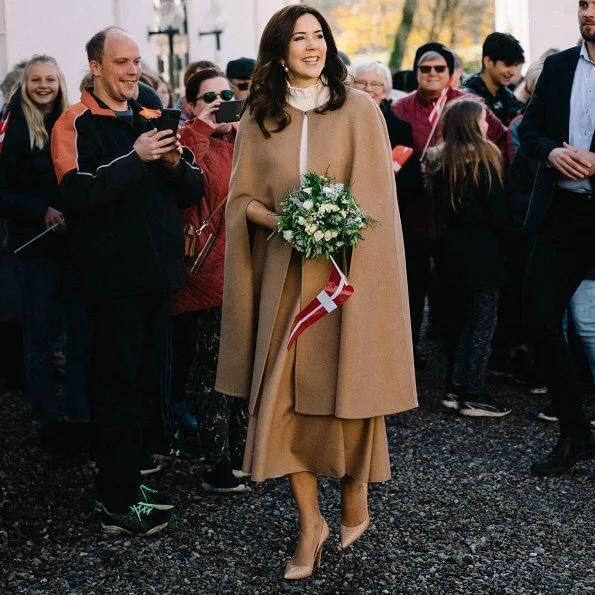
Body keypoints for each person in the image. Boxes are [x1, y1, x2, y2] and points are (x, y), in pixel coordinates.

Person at [215, 4, 417, 580]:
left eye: (319, 36)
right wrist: (285, 221)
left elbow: (378, 204)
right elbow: (241, 201)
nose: (312, 46)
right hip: (285, 280)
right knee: (279, 403)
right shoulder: (260, 115)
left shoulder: (359, 110)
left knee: (350, 393)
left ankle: (356, 488)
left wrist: (337, 229)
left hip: (342, 279)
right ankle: (310, 526)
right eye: (299, 38)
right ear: (279, 53)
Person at [51, 26, 205, 535]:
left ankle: (129, 482)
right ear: (96, 67)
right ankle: (113, 502)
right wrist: (136, 158)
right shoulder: (74, 123)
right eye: (122, 62)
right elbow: (77, 195)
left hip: (157, 277)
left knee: (143, 388)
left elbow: (190, 190)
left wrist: (170, 162)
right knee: (115, 387)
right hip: (111, 283)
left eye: (136, 60)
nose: (133, 70)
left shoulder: (148, 114)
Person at [392, 42, 512, 359]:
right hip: (414, 213)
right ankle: (408, 349)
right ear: (416, 72)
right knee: (413, 285)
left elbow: (501, 139)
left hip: (456, 215)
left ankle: (452, 354)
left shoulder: (469, 104)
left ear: (451, 73)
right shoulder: (400, 108)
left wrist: (483, 177)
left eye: (439, 69)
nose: (432, 74)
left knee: (452, 289)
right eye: (425, 68)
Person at [519, 0, 595, 476]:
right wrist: (550, 153)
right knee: (538, 317)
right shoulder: (561, 65)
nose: (590, 11)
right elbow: (530, 130)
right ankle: (576, 432)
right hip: (562, 214)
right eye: (585, 3)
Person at [0, 55, 91, 453]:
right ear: (25, 84)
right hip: (34, 247)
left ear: (59, 82)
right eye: (36, 79)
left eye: (50, 79)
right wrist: (42, 212)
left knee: (78, 335)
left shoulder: (70, 122)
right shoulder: (15, 127)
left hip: (71, 246)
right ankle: (47, 420)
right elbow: (3, 190)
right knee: (38, 338)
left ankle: (77, 416)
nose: (43, 86)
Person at [172, 68, 249, 493]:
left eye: (225, 93)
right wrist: (202, 126)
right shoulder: (185, 138)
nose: (219, 101)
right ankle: (214, 460)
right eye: (208, 97)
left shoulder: (243, 139)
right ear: (191, 104)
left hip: (245, 264)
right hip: (206, 266)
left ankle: (239, 449)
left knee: (243, 362)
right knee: (214, 364)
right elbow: (187, 180)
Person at [429, 99, 511, 417]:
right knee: (483, 324)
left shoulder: (439, 161)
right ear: (472, 126)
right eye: (482, 121)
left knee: (462, 321)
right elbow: (498, 214)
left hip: (451, 249)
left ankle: (455, 387)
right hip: (483, 251)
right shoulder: (485, 159)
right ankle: (476, 392)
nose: (487, 125)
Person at [462, 32, 525, 126]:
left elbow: (521, 111)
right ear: (488, 62)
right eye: (507, 64)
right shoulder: (469, 96)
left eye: (515, 66)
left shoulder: (505, 93)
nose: (513, 72)